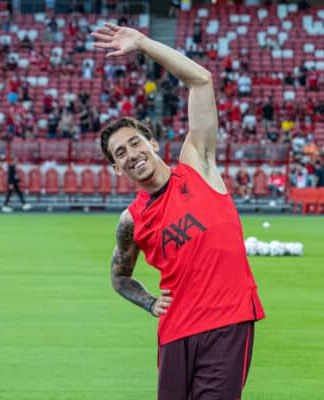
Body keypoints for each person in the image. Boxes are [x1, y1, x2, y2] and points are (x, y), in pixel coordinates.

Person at [92, 23, 265, 400]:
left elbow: (201, 81)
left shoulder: (196, 165)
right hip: (175, 331)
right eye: (120, 154)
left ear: (152, 143)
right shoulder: (131, 221)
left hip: (227, 322)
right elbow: (120, 277)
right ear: (117, 169)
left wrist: (142, 45)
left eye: (135, 143)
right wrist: (150, 302)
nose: (132, 154)